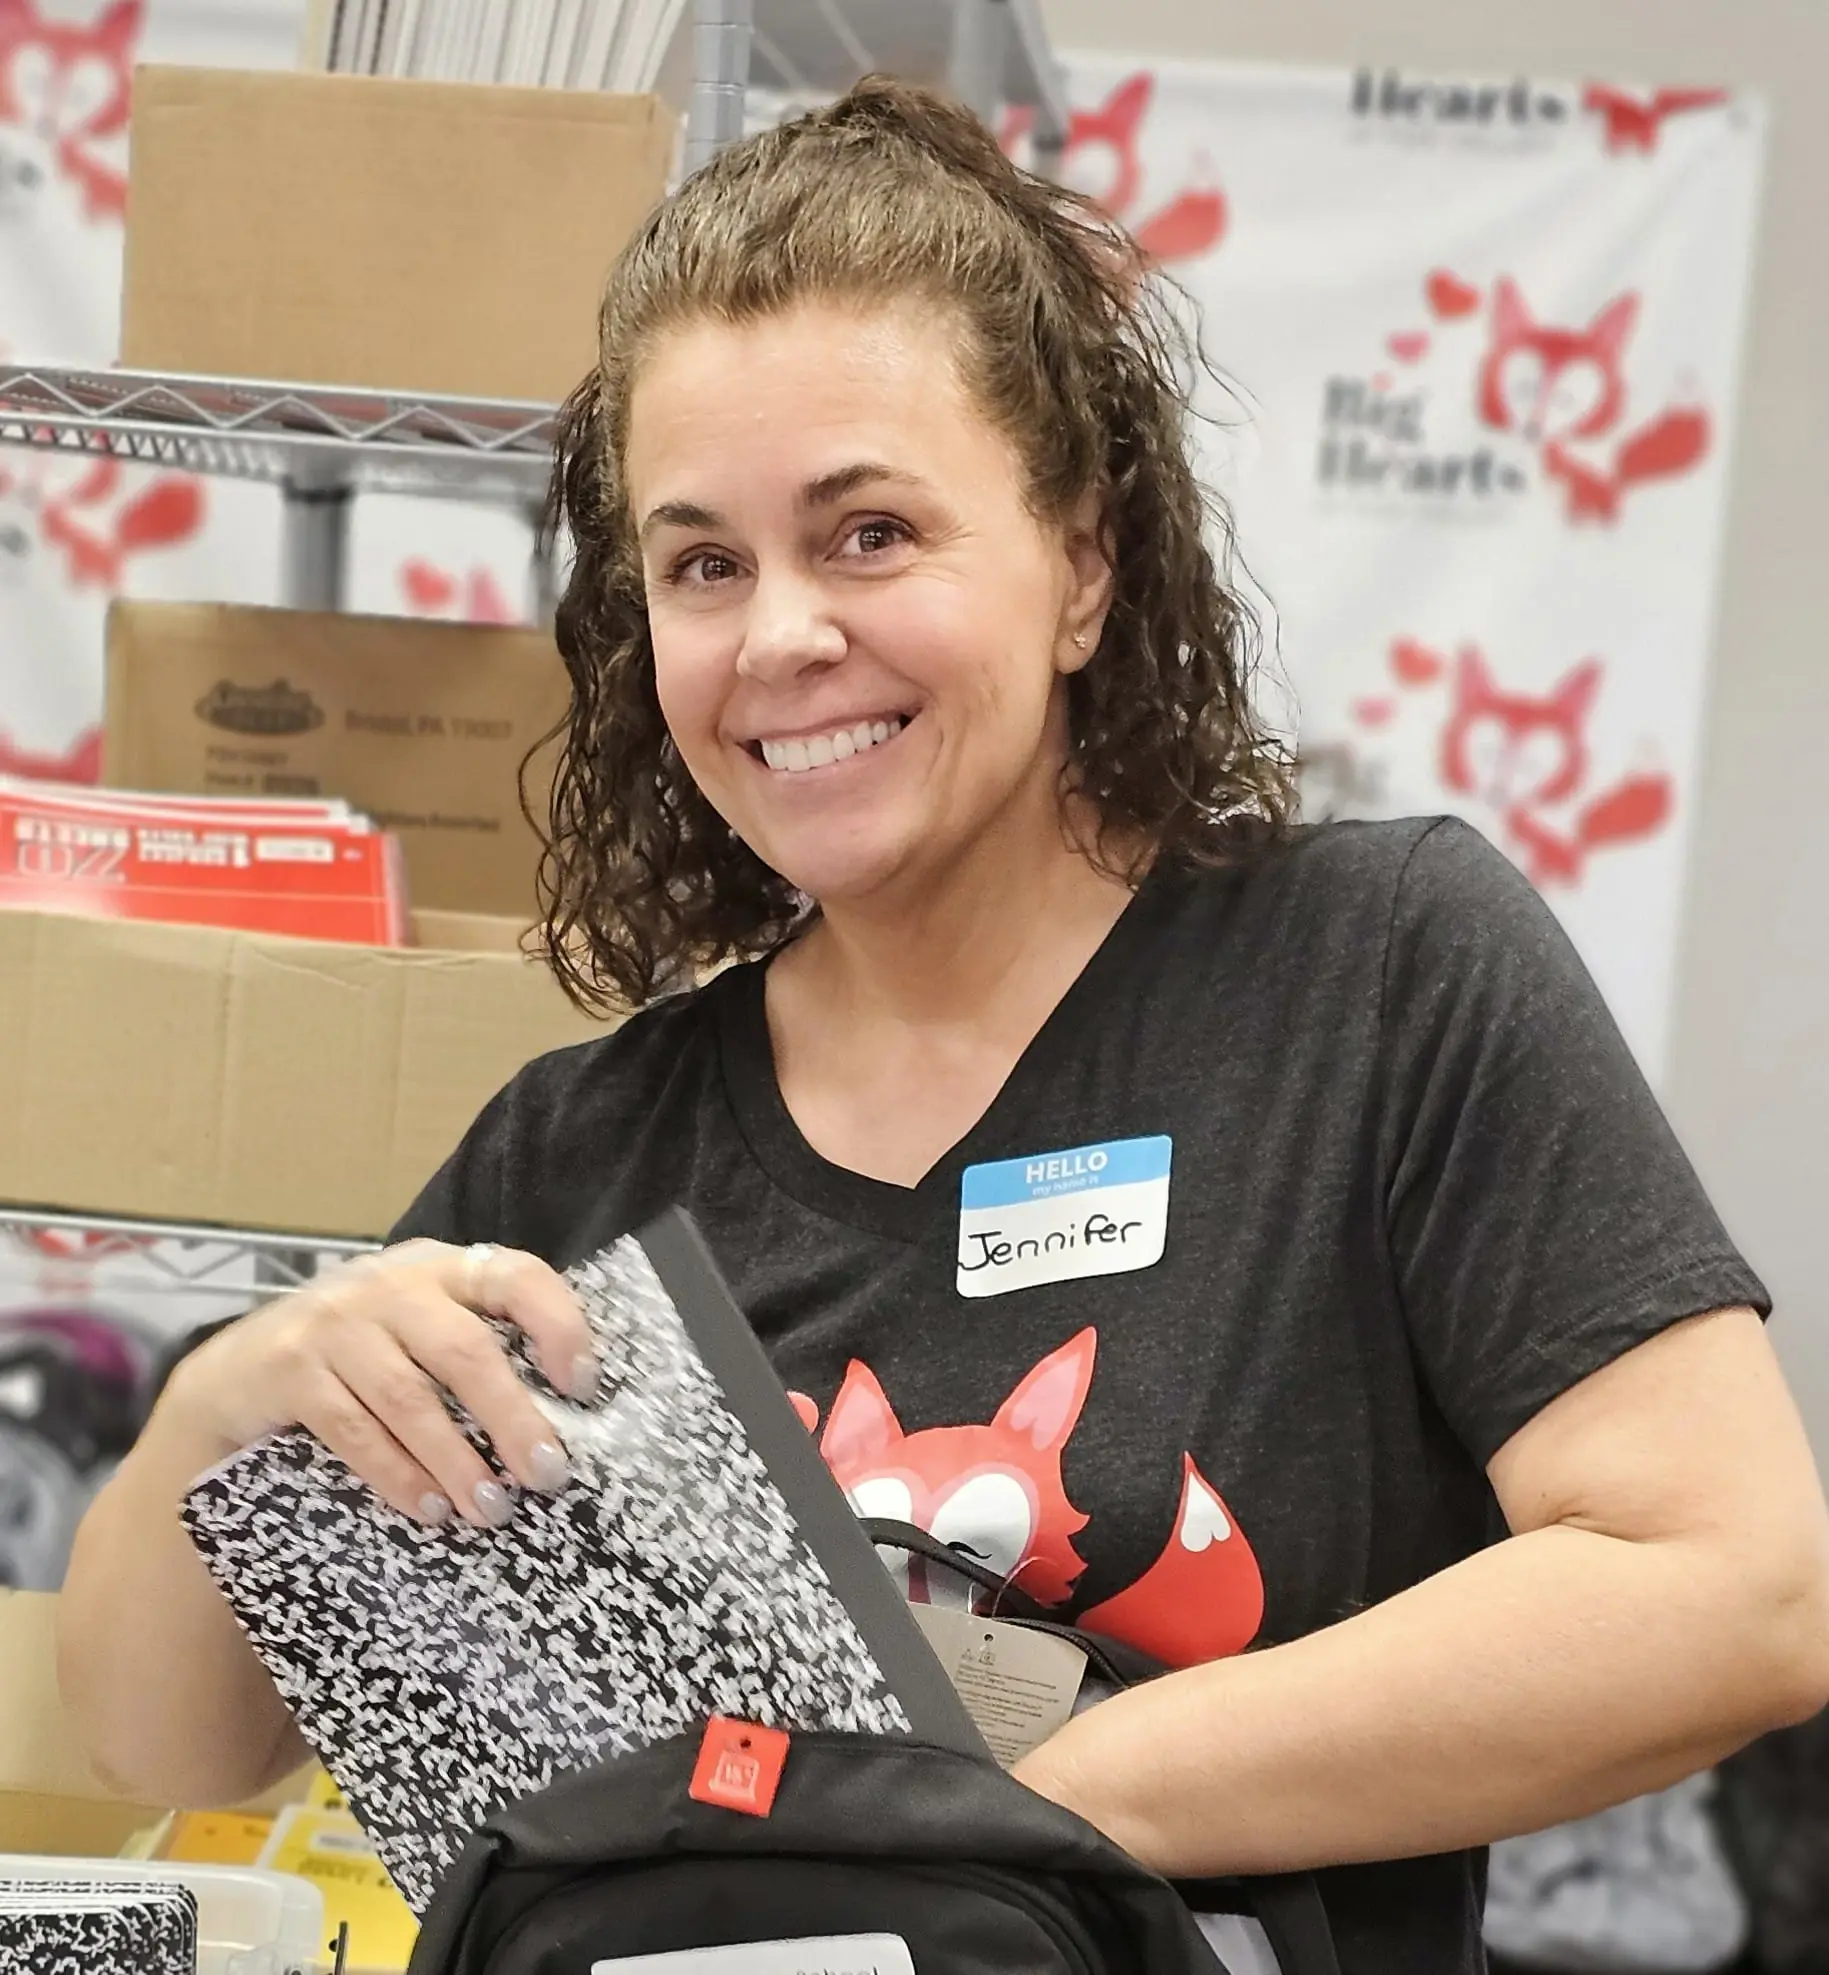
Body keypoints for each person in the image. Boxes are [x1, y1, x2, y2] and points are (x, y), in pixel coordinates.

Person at [59, 78, 1829, 1975]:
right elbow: (178, 1738)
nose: (782, 638)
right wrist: (230, 1400)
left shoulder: (1376, 975)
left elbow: (1727, 1589)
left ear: (1083, 562)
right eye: (703, 565)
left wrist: (1018, 1821)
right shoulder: (573, 1151)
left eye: (873, 531)